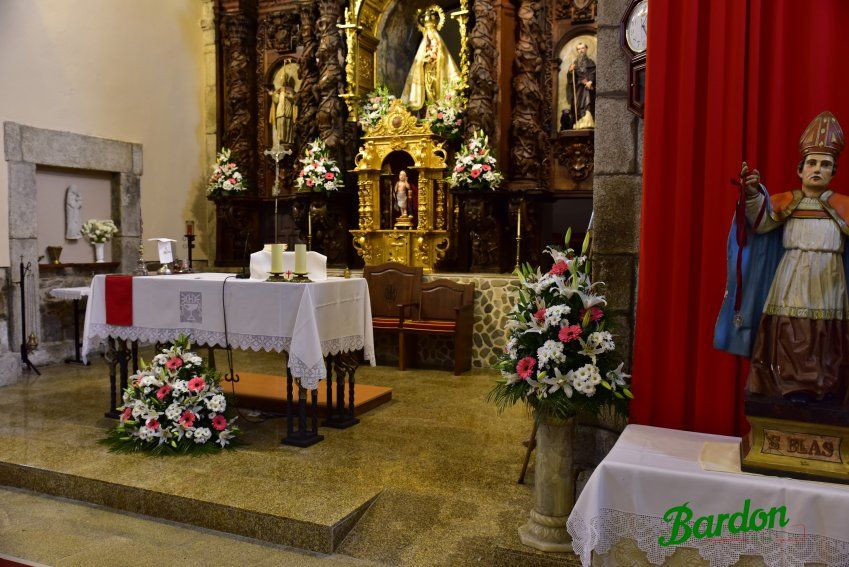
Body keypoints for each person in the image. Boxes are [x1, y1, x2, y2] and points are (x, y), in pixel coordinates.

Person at [715, 111, 849, 404]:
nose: (817, 169)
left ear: (833, 172)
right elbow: (760, 222)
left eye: (825, 165)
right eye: (811, 163)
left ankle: (824, 388)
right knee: (789, 330)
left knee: (826, 336)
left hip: (830, 279)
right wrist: (751, 192)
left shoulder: (842, 206)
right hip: (792, 277)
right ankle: (788, 386)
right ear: (800, 170)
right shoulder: (787, 201)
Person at [402, 6, 460, 111]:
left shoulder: (440, 49)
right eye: (429, 38)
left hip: (438, 72)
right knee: (427, 90)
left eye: (432, 38)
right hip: (427, 71)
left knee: (436, 91)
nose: (431, 40)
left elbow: (444, 58)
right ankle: (429, 108)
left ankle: (437, 109)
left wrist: (436, 56)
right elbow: (418, 62)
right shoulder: (424, 49)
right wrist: (423, 60)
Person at [564, 42, 596, 130]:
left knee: (587, 103)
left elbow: (593, 73)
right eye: (578, 49)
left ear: (586, 49)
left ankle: (588, 122)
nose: (581, 50)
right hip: (578, 88)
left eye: (582, 48)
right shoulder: (574, 63)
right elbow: (571, 79)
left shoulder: (590, 62)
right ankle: (578, 123)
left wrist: (590, 81)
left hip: (588, 88)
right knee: (577, 105)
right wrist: (570, 72)